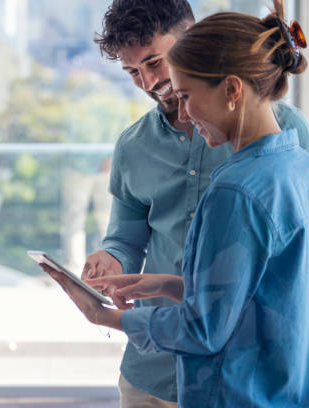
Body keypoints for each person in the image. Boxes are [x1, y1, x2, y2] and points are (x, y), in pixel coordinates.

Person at [44, 1, 309, 406]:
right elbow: (128, 239)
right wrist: (153, 277)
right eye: (132, 72)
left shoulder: (246, 177)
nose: (149, 83)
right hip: (167, 370)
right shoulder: (135, 146)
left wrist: (106, 318)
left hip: (234, 378)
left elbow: (208, 325)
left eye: (155, 63)